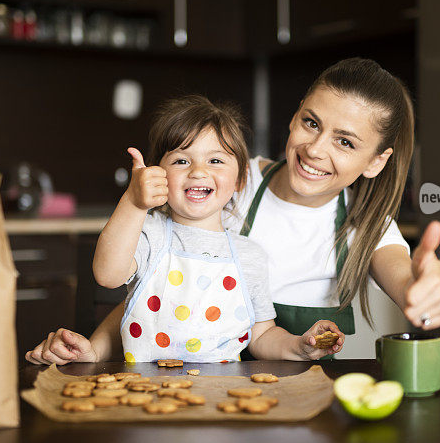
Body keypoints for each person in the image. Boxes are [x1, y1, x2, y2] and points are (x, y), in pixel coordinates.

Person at [26, 58, 440, 364]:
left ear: (376, 162)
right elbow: (164, 285)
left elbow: (407, 279)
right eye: (311, 122)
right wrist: (98, 348)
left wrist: (428, 286)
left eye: (345, 142)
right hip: (217, 389)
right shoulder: (228, 181)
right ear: (294, 117)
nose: (315, 149)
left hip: (325, 405)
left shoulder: (368, 226)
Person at [26, 95, 343, 365]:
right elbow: (107, 275)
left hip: (221, 400)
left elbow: (262, 335)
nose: (198, 171)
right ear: (158, 174)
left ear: (240, 180)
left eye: (216, 161)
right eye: (180, 161)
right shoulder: (151, 234)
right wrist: (134, 204)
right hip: (146, 394)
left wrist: (300, 346)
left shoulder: (249, 256)